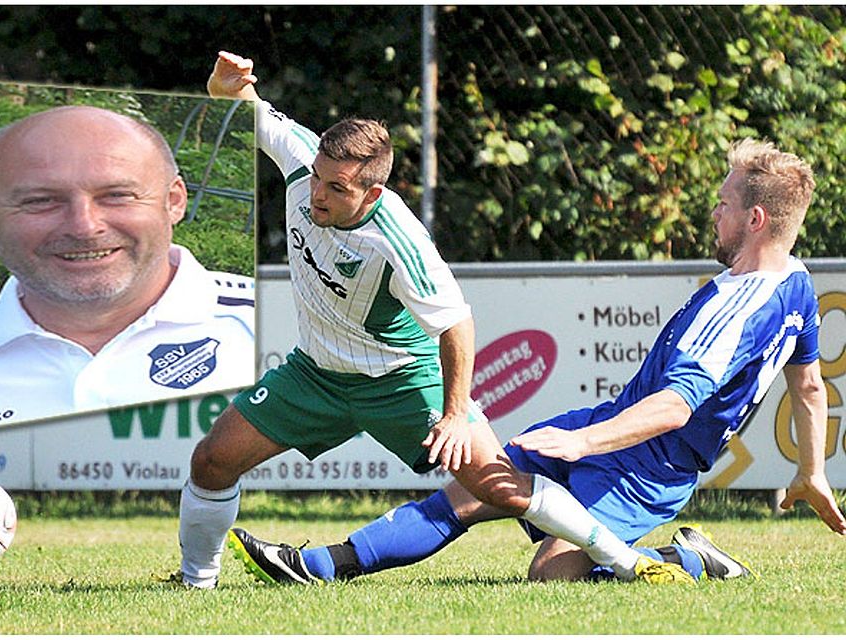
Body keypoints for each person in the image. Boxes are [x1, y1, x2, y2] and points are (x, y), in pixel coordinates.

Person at [174, 51, 694, 590]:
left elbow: (457, 324)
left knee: (499, 487)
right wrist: (224, 87)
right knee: (213, 459)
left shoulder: (399, 240)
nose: (317, 195)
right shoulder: (306, 162)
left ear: (372, 192)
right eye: (319, 179)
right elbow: (244, 104)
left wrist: (452, 414)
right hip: (317, 375)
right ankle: (197, 584)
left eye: (337, 189)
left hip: (400, 380)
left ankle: (633, 563)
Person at [229, 138, 846, 585]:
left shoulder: (737, 305)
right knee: (475, 488)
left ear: (756, 219)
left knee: (552, 573)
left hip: (652, 465)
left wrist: (583, 446)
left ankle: (690, 561)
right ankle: (321, 565)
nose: (715, 211)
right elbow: (811, 388)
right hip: (613, 423)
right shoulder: (795, 281)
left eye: (725, 203)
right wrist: (812, 470)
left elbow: (675, 406)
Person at [0, 105, 256, 439]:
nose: (84, 227)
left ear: (174, 201)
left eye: (117, 195)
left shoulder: (293, 328)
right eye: (41, 201)